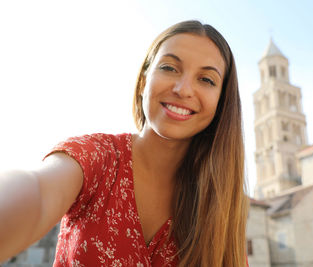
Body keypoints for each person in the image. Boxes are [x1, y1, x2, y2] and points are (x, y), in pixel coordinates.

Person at [0, 20, 249, 266]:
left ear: (221, 104)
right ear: (143, 82)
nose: (183, 90)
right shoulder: (95, 157)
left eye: (206, 80)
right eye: (169, 68)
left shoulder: (222, 201)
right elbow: (38, 192)